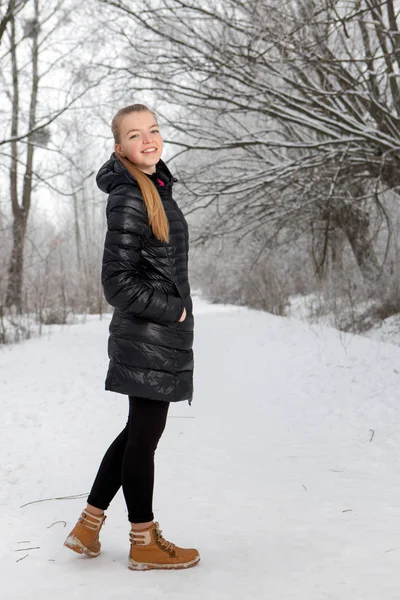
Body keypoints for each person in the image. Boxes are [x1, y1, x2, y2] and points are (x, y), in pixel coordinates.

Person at [64, 103, 200, 571]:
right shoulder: (130, 195)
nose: (148, 140)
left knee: (136, 432)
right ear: (119, 146)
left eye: (154, 130)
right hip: (150, 333)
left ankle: (88, 525)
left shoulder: (155, 186)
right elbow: (115, 281)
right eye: (135, 134)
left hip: (156, 337)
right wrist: (175, 310)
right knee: (144, 435)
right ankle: (143, 539)